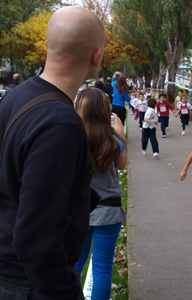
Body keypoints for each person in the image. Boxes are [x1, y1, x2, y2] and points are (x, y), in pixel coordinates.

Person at [0, 6, 105, 299]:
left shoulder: (15, 98)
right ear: (96, 56)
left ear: (47, 46)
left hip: (1, 267)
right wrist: (66, 291)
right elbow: (36, 239)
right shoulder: (60, 124)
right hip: (30, 284)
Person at [74, 88, 127, 300]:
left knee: (75, 264)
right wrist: (120, 131)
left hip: (78, 211)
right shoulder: (112, 140)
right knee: (102, 268)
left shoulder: (72, 137)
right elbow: (121, 164)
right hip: (109, 211)